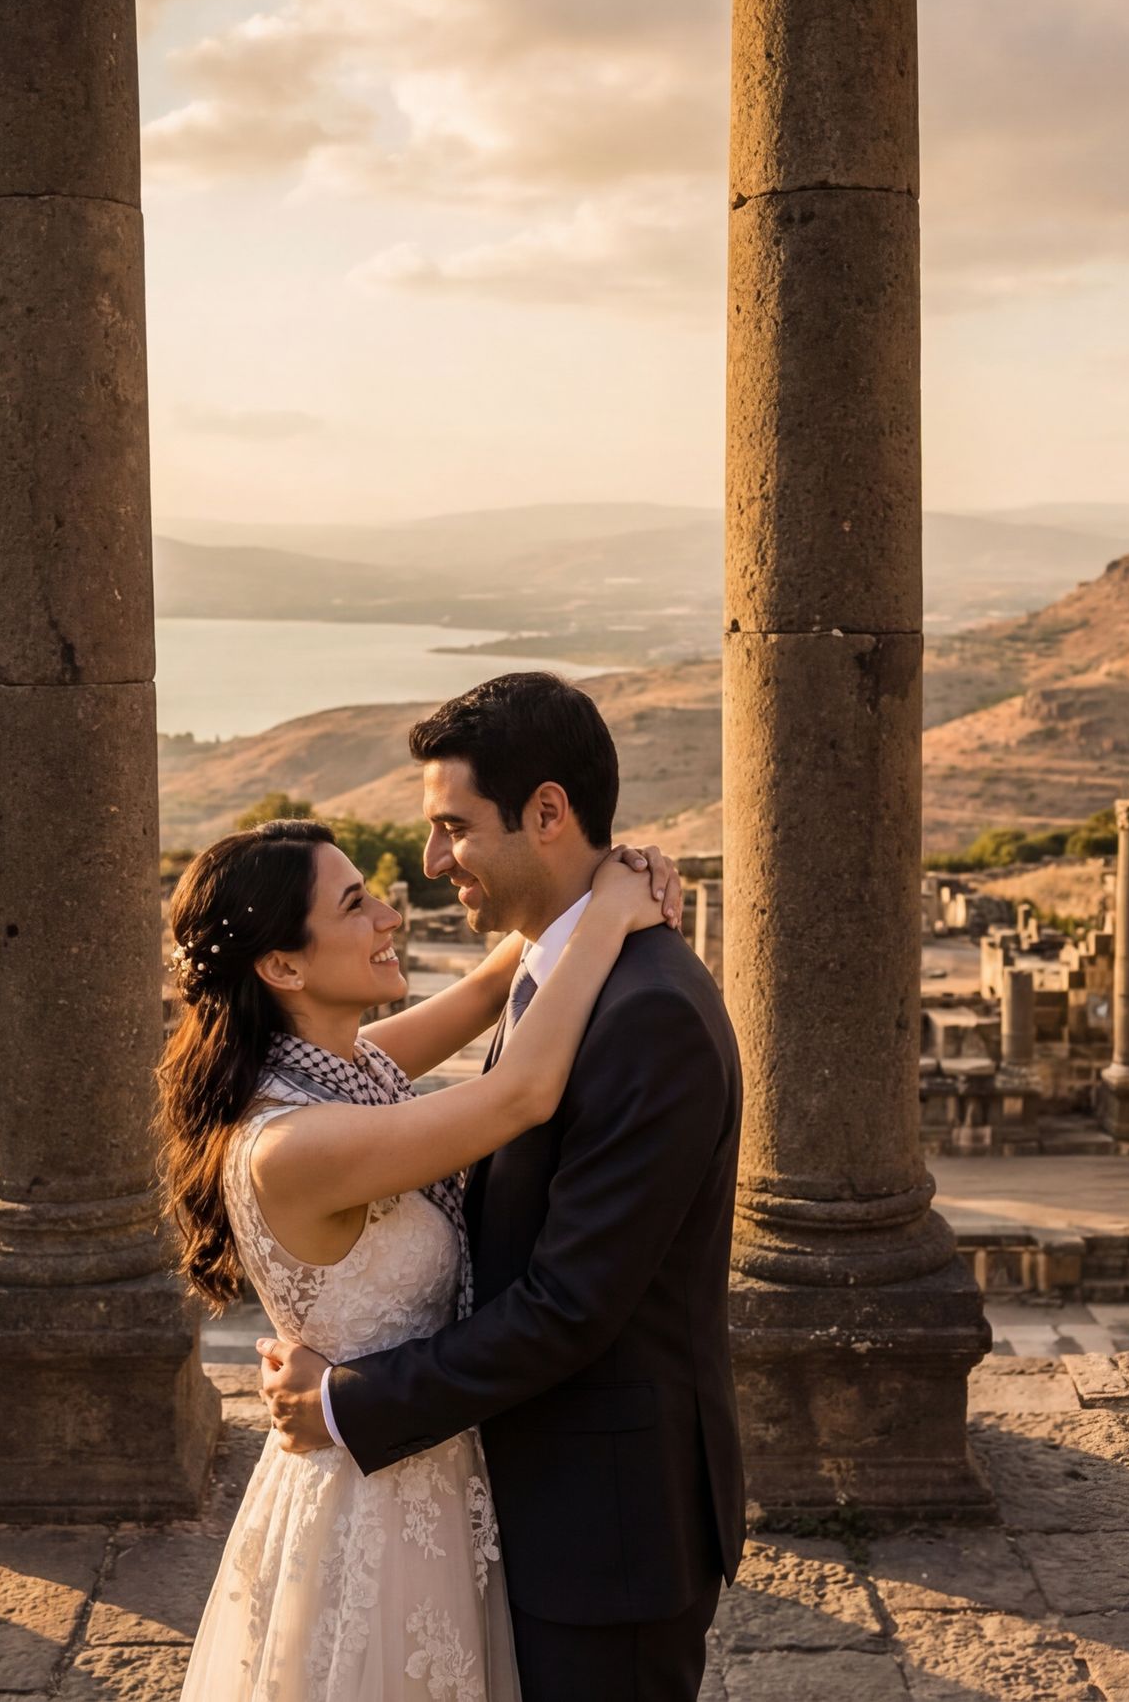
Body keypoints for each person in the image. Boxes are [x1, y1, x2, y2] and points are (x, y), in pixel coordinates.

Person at [260, 673, 744, 1702]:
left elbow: (573, 1306)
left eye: (452, 828)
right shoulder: (564, 972)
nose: (431, 868)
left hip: (605, 1536)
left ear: (550, 814)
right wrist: (604, 896)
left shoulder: (644, 1012)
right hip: (523, 1508)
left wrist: (349, 1403)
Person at [164, 799, 683, 1702]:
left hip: (422, 1464)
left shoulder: (344, 1067)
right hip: (376, 1506)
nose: (391, 916)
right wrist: (606, 913)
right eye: (357, 903)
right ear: (283, 963)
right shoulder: (295, 1143)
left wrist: (603, 872)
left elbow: (493, 987)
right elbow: (519, 1095)